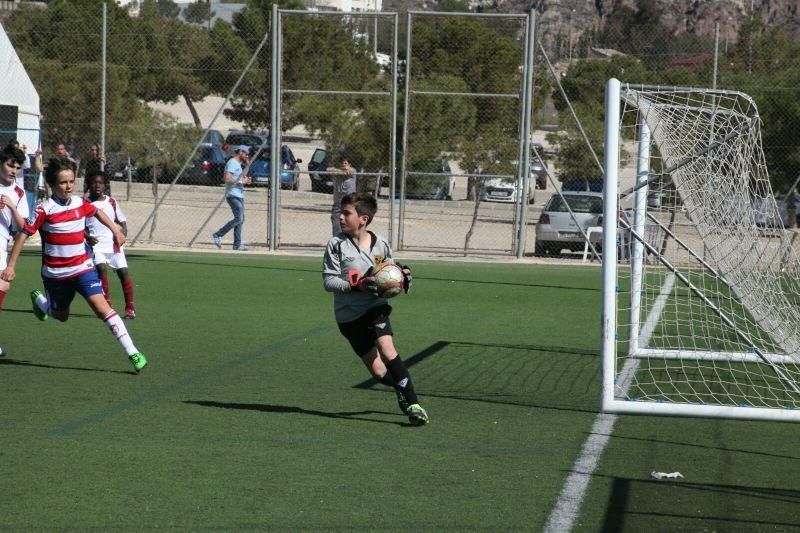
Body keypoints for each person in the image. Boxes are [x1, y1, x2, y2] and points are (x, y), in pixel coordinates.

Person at [0, 158, 148, 373]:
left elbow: (97, 211)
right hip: (56, 274)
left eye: (71, 181)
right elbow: (23, 235)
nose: (68, 186)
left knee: (101, 307)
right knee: (61, 316)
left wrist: (116, 230)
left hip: (83, 268)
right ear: (52, 185)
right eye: (62, 182)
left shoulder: (80, 203)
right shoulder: (44, 209)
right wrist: (11, 266)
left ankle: (133, 352)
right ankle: (43, 304)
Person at [322, 192, 429, 425]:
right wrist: (357, 285)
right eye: (341, 212)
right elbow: (329, 282)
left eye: (346, 213)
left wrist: (402, 275)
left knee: (387, 348)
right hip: (348, 317)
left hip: (375, 307)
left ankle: (413, 404)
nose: (340, 217)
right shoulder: (336, 245)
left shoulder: (381, 244)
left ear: (364, 219)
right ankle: (401, 388)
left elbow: (388, 269)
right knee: (380, 373)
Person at [85, 172, 136, 319]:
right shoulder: (85, 204)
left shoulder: (111, 202)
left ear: (105, 185)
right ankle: (106, 306)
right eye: (94, 182)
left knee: (123, 273)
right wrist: (88, 237)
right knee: (101, 269)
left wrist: (123, 233)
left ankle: (130, 308)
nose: (97, 185)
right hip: (97, 245)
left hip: (113, 244)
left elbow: (122, 221)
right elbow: (81, 227)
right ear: (89, 185)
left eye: (100, 182)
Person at [0, 146, 30, 312]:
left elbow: (23, 228)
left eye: (18, 168)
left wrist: (12, 207)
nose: (14, 171)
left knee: (3, 284)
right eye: (10, 166)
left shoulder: (19, 193)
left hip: (1, 244)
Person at [212, 145, 252, 251]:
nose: (247, 156)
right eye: (246, 154)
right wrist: (241, 182)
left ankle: (237, 245)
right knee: (239, 218)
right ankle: (218, 234)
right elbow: (227, 178)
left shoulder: (238, 164)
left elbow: (242, 176)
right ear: (240, 152)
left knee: (240, 220)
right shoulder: (232, 163)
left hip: (239, 194)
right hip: (232, 195)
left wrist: (247, 170)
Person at [328, 149, 357, 235]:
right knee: (336, 226)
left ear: (349, 164)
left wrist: (346, 170)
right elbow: (328, 169)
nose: (344, 165)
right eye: (342, 163)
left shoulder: (352, 171)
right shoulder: (338, 174)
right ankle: (338, 242)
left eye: (346, 163)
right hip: (338, 204)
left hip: (349, 204)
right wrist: (336, 170)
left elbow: (350, 171)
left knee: (349, 225)